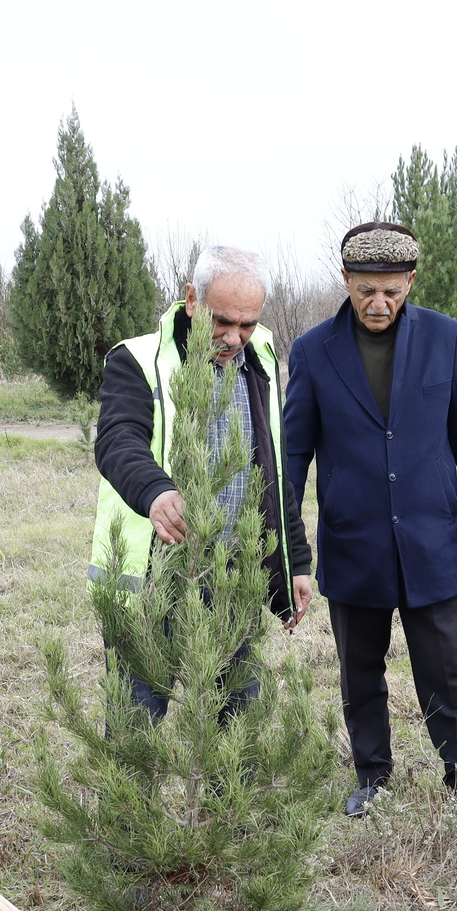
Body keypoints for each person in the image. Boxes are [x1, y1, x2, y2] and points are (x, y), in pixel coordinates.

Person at [283, 223, 457, 817]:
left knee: (450, 666)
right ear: (346, 281)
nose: (378, 304)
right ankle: (372, 776)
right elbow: (293, 456)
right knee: (359, 670)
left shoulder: (445, 337)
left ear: (410, 281)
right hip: (352, 542)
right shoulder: (312, 352)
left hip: (432, 537)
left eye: (391, 291)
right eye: (366, 291)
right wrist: (287, 546)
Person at [90, 245, 312, 719]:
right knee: (137, 725)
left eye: (247, 324)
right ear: (192, 299)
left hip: (235, 576)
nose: (233, 337)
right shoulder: (140, 360)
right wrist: (156, 491)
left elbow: (273, 468)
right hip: (154, 580)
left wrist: (295, 560)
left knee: (237, 725)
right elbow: (117, 440)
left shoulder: (261, 359)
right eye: (222, 320)